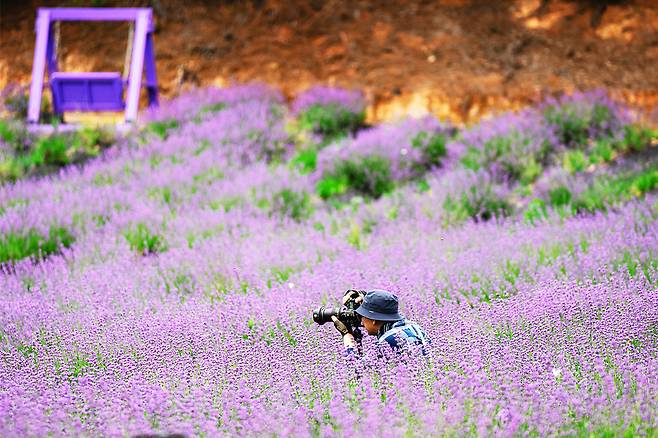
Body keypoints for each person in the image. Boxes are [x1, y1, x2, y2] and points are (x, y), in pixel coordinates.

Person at [331, 289, 430, 356]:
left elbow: (357, 369)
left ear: (373, 320)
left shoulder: (388, 340)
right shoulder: (413, 326)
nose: (361, 321)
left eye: (362, 316)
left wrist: (346, 335)